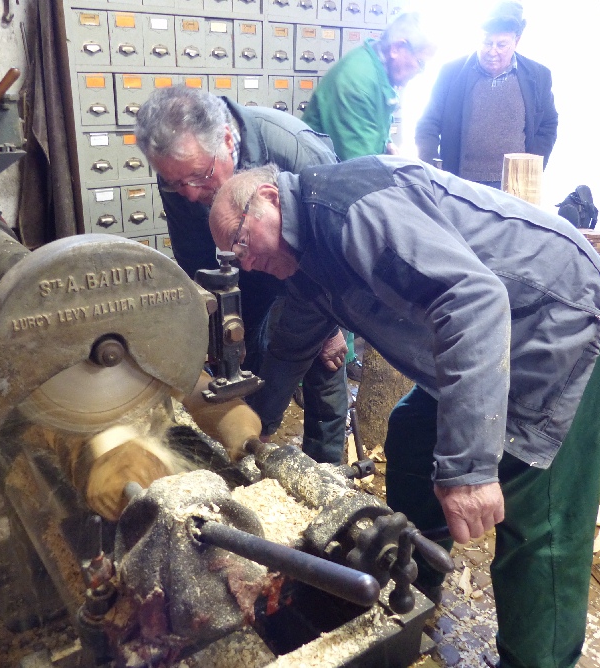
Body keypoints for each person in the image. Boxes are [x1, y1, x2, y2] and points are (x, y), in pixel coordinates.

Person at [208, 157, 600, 668]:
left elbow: (472, 300)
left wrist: (469, 471)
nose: (244, 262)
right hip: (478, 339)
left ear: (270, 198)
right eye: (233, 255)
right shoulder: (305, 254)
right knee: (410, 434)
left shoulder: (350, 211)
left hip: (555, 318)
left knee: (539, 518)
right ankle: (413, 585)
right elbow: (294, 339)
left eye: (242, 242)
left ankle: (537, 660)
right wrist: (253, 426)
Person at [134, 86, 349, 465]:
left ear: (228, 141)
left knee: (321, 356)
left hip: (308, 266)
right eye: (174, 183)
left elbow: (330, 251)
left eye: (199, 178)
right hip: (238, 263)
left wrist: (329, 320)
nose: (187, 193)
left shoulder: (296, 150)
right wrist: (210, 326)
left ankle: (326, 468)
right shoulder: (182, 173)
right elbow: (195, 257)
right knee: (239, 349)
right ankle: (250, 445)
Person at [301, 10, 436, 380]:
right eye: (419, 63)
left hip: (342, 180)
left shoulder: (378, 75)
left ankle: (338, 359)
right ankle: (319, 369)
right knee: (334, 281)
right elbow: (359, 169)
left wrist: (391, 151)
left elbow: (370, 141)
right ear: (397, 48)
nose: (418, 72)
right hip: (327, 194)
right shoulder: (358, 81)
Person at [415, 2, 558, 189]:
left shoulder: (539, 76)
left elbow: (548, 125)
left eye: (501, 45)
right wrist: (433, 169)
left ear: (517, 41)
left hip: (515, 185)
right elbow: (428, 124)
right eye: (486, 42)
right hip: (459, 182)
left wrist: (530, 170)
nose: (492, 52)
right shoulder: (451, 73)